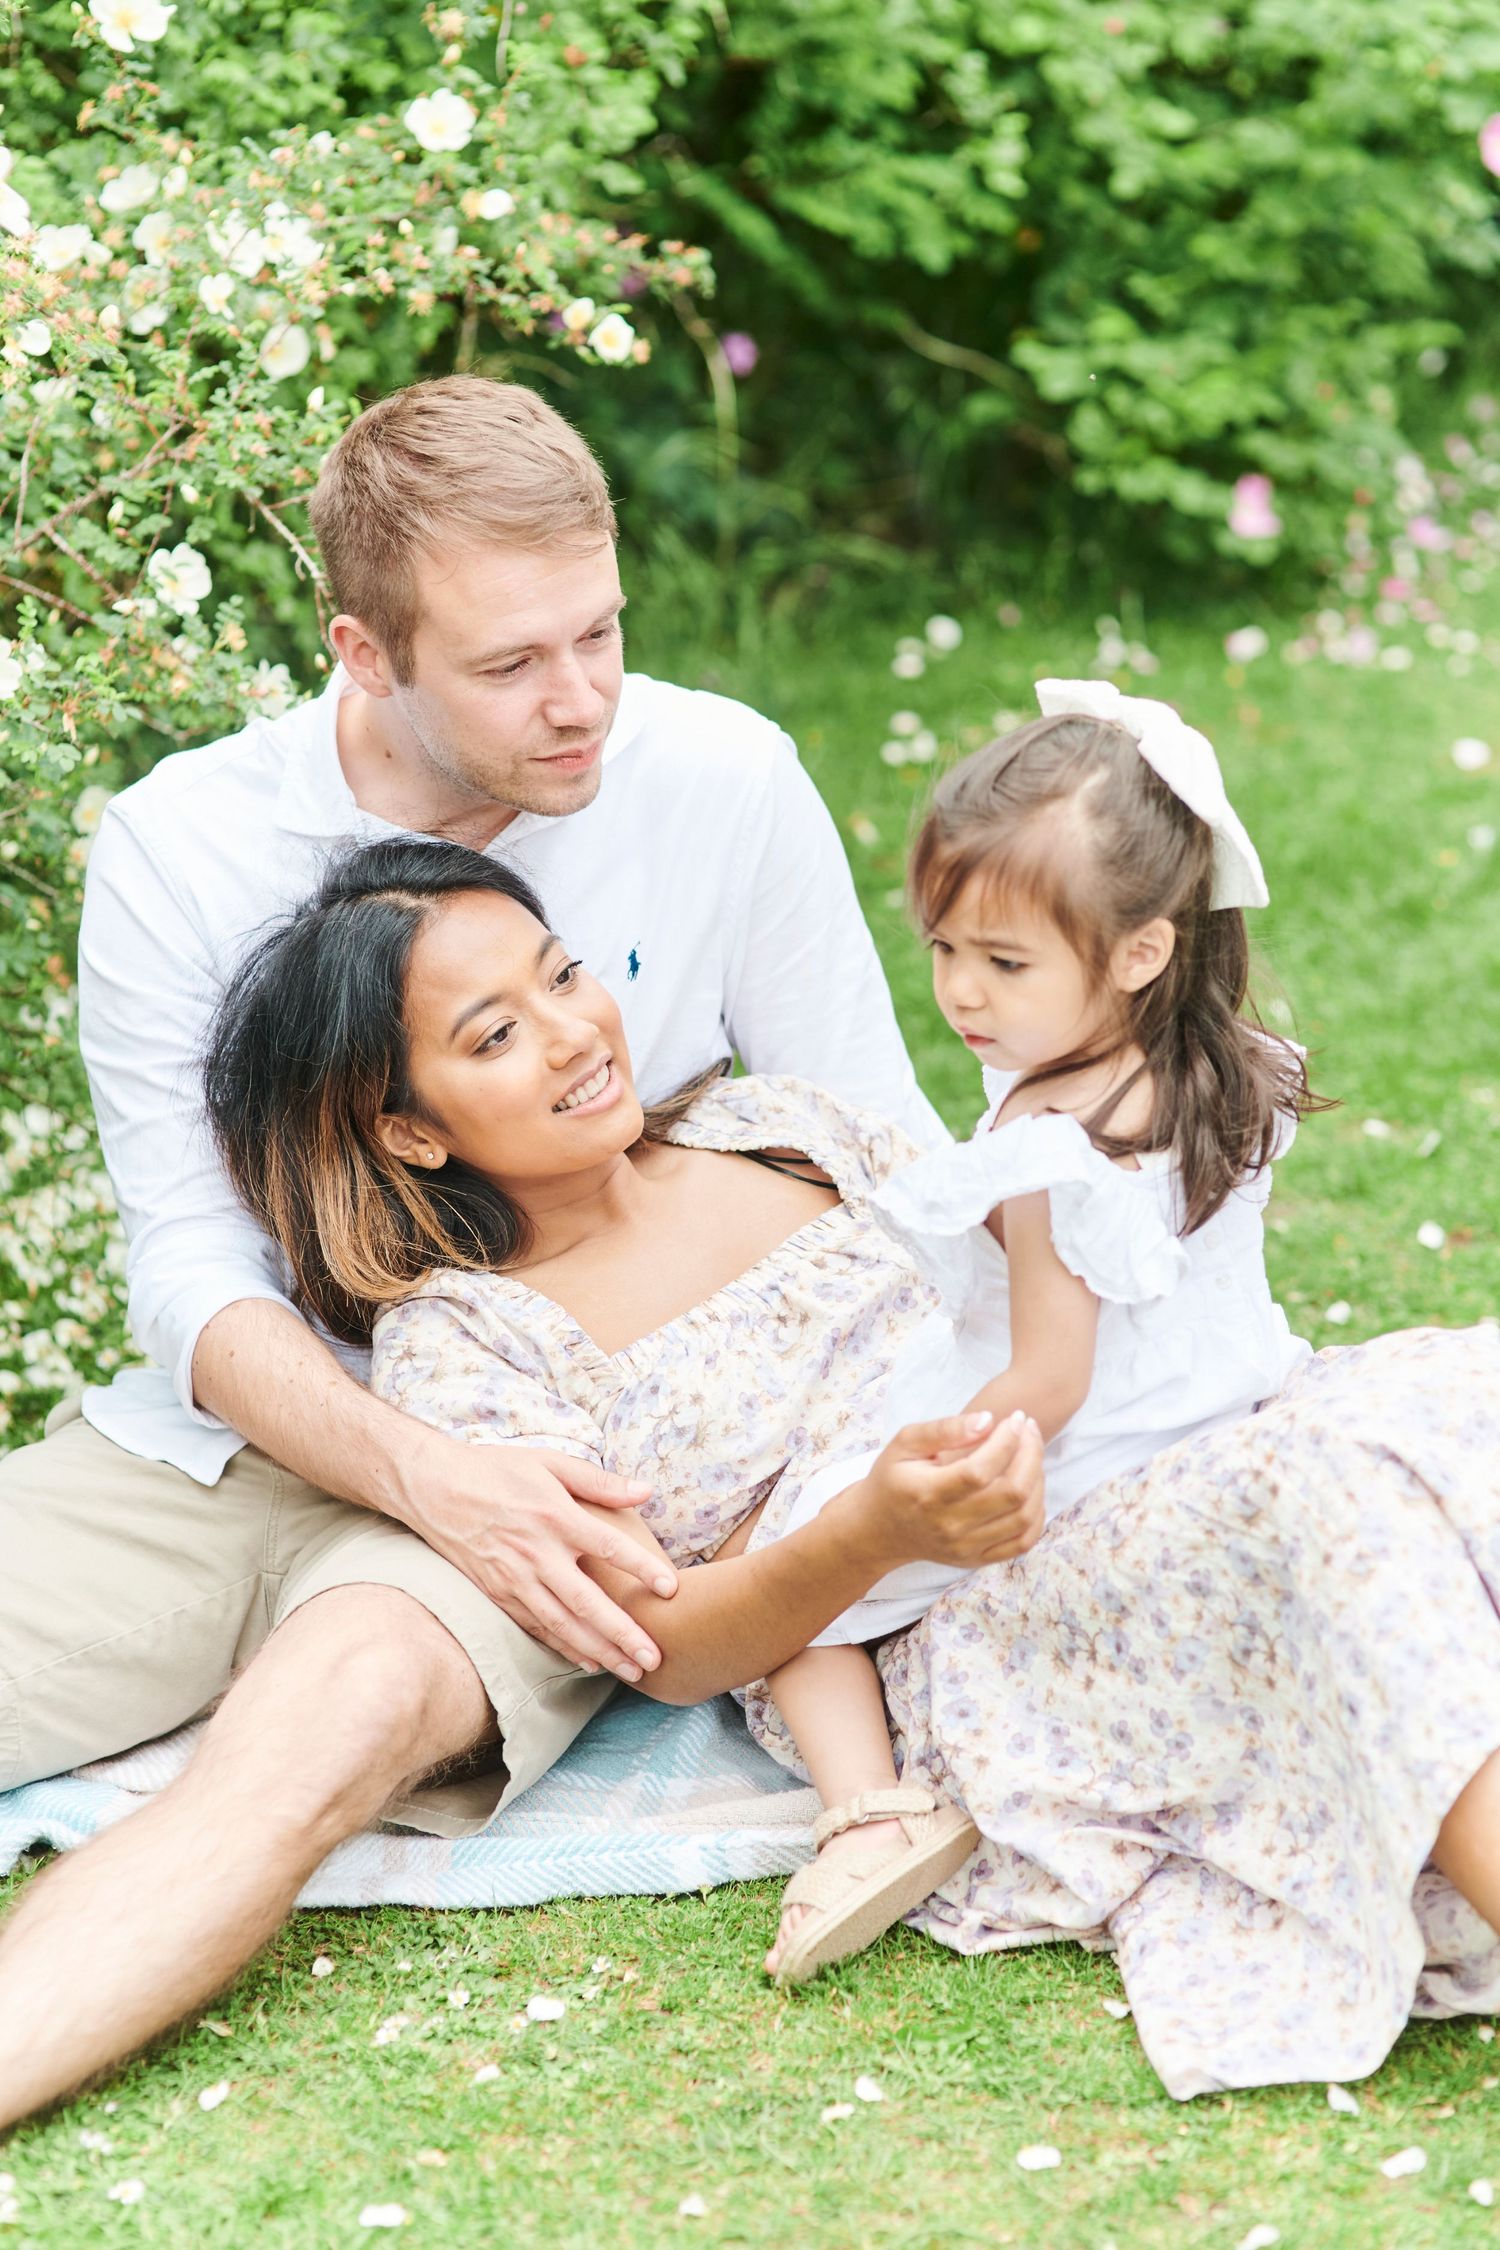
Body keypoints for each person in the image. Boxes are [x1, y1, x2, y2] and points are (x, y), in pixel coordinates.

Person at [0, 376, 948, 2128]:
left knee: (286, 1767)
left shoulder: (720, 776)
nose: (581, 699)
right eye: (513, 665)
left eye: (600, 632)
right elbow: (192, 1265)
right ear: (365, 651)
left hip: (560, 1461)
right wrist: (419, 1467)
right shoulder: (185, 843)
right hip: (253, 1427)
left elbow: (874, 1143)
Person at [199, 837, 1500, 2100]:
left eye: (562, 972)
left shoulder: (770, 1125)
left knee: (1447, 1398)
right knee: (1332, 1507)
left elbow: (1028, 1247)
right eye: (493, 1035)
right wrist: (877, 1527)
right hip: (957, 1604)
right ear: (410, 1131)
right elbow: (659, 1641)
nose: (573, 1031)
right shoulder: (472, 1340)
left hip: (1121, 1429)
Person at [754, 678, 1329, 1980]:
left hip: (1091, 1448)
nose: (960, 990)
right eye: (945, 947)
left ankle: (865, 1813)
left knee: (794, 1564)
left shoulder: (1040, 1143)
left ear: (1137, 950)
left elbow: (1050, 1378)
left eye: (1003, 961)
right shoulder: (1219, 1056)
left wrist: (912, 1483)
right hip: (1230, 1399)